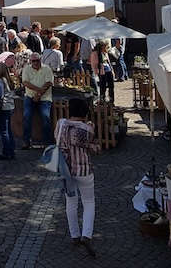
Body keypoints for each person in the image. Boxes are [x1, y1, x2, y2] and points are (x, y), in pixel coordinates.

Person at [56, 98, 100, 258]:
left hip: (66, 171)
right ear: (85, 112)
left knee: (71, 203)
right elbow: (93, 146)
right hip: (84, 170)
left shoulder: (60, 124)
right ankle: (86, 235)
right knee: (89, 202)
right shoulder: (87, 130)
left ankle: (74, 235)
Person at [22, 52, 54, 150]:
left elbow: (49, 83)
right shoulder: (26, 68)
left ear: (40, 60)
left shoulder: (47, 69)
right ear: (31, 61)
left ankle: (47, 142)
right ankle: (26, 141)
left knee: (46, 117)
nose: (35, 63)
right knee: (26, 116)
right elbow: (25, 82)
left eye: (37, 60)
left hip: (44, 97)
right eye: (33, 61)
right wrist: (38, 91)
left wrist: (39, 94)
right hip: (30, 96)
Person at [0, 62, 16, 160]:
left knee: (4, 131)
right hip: (10, 106)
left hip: (3, 107)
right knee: (9, 131)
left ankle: (7, 152)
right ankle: (11, 151)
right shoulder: (8, 80)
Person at [91, 39, 115, 104]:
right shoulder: (95, 53)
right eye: (105, 46)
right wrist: (97, 73)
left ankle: (111, 100)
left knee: (111, 86)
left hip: (108, 70)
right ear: (101, 46)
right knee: (103, 86)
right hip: (101, 72)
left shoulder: (105, 52)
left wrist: (112, 70)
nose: (106, 47)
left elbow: (108, 62)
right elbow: (94, 64)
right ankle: (102, 99)